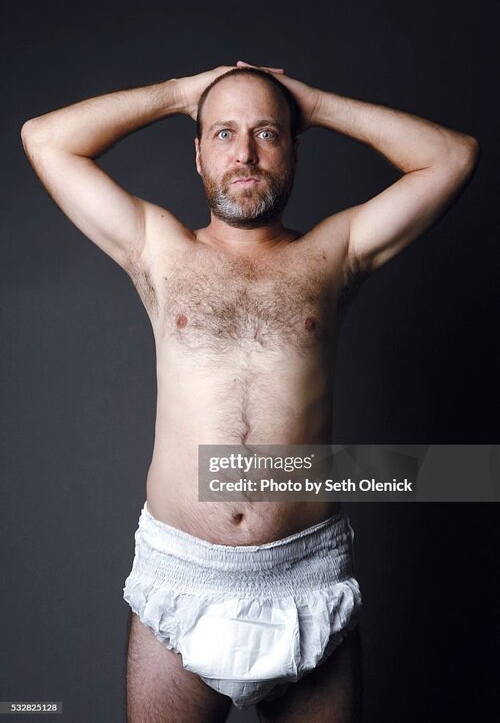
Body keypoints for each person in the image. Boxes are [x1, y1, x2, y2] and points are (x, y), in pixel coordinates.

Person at [21, 61, 479, 722]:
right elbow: (44, 139)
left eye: (267, 133)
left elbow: (453, 157)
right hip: (182, 576)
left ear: (292, 148)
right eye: (224, 132)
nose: (245, 153)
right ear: (198, 152)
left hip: (306, 576)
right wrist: (182, 93)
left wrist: (313, 103)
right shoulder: (158, 247)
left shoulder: (334, 251)